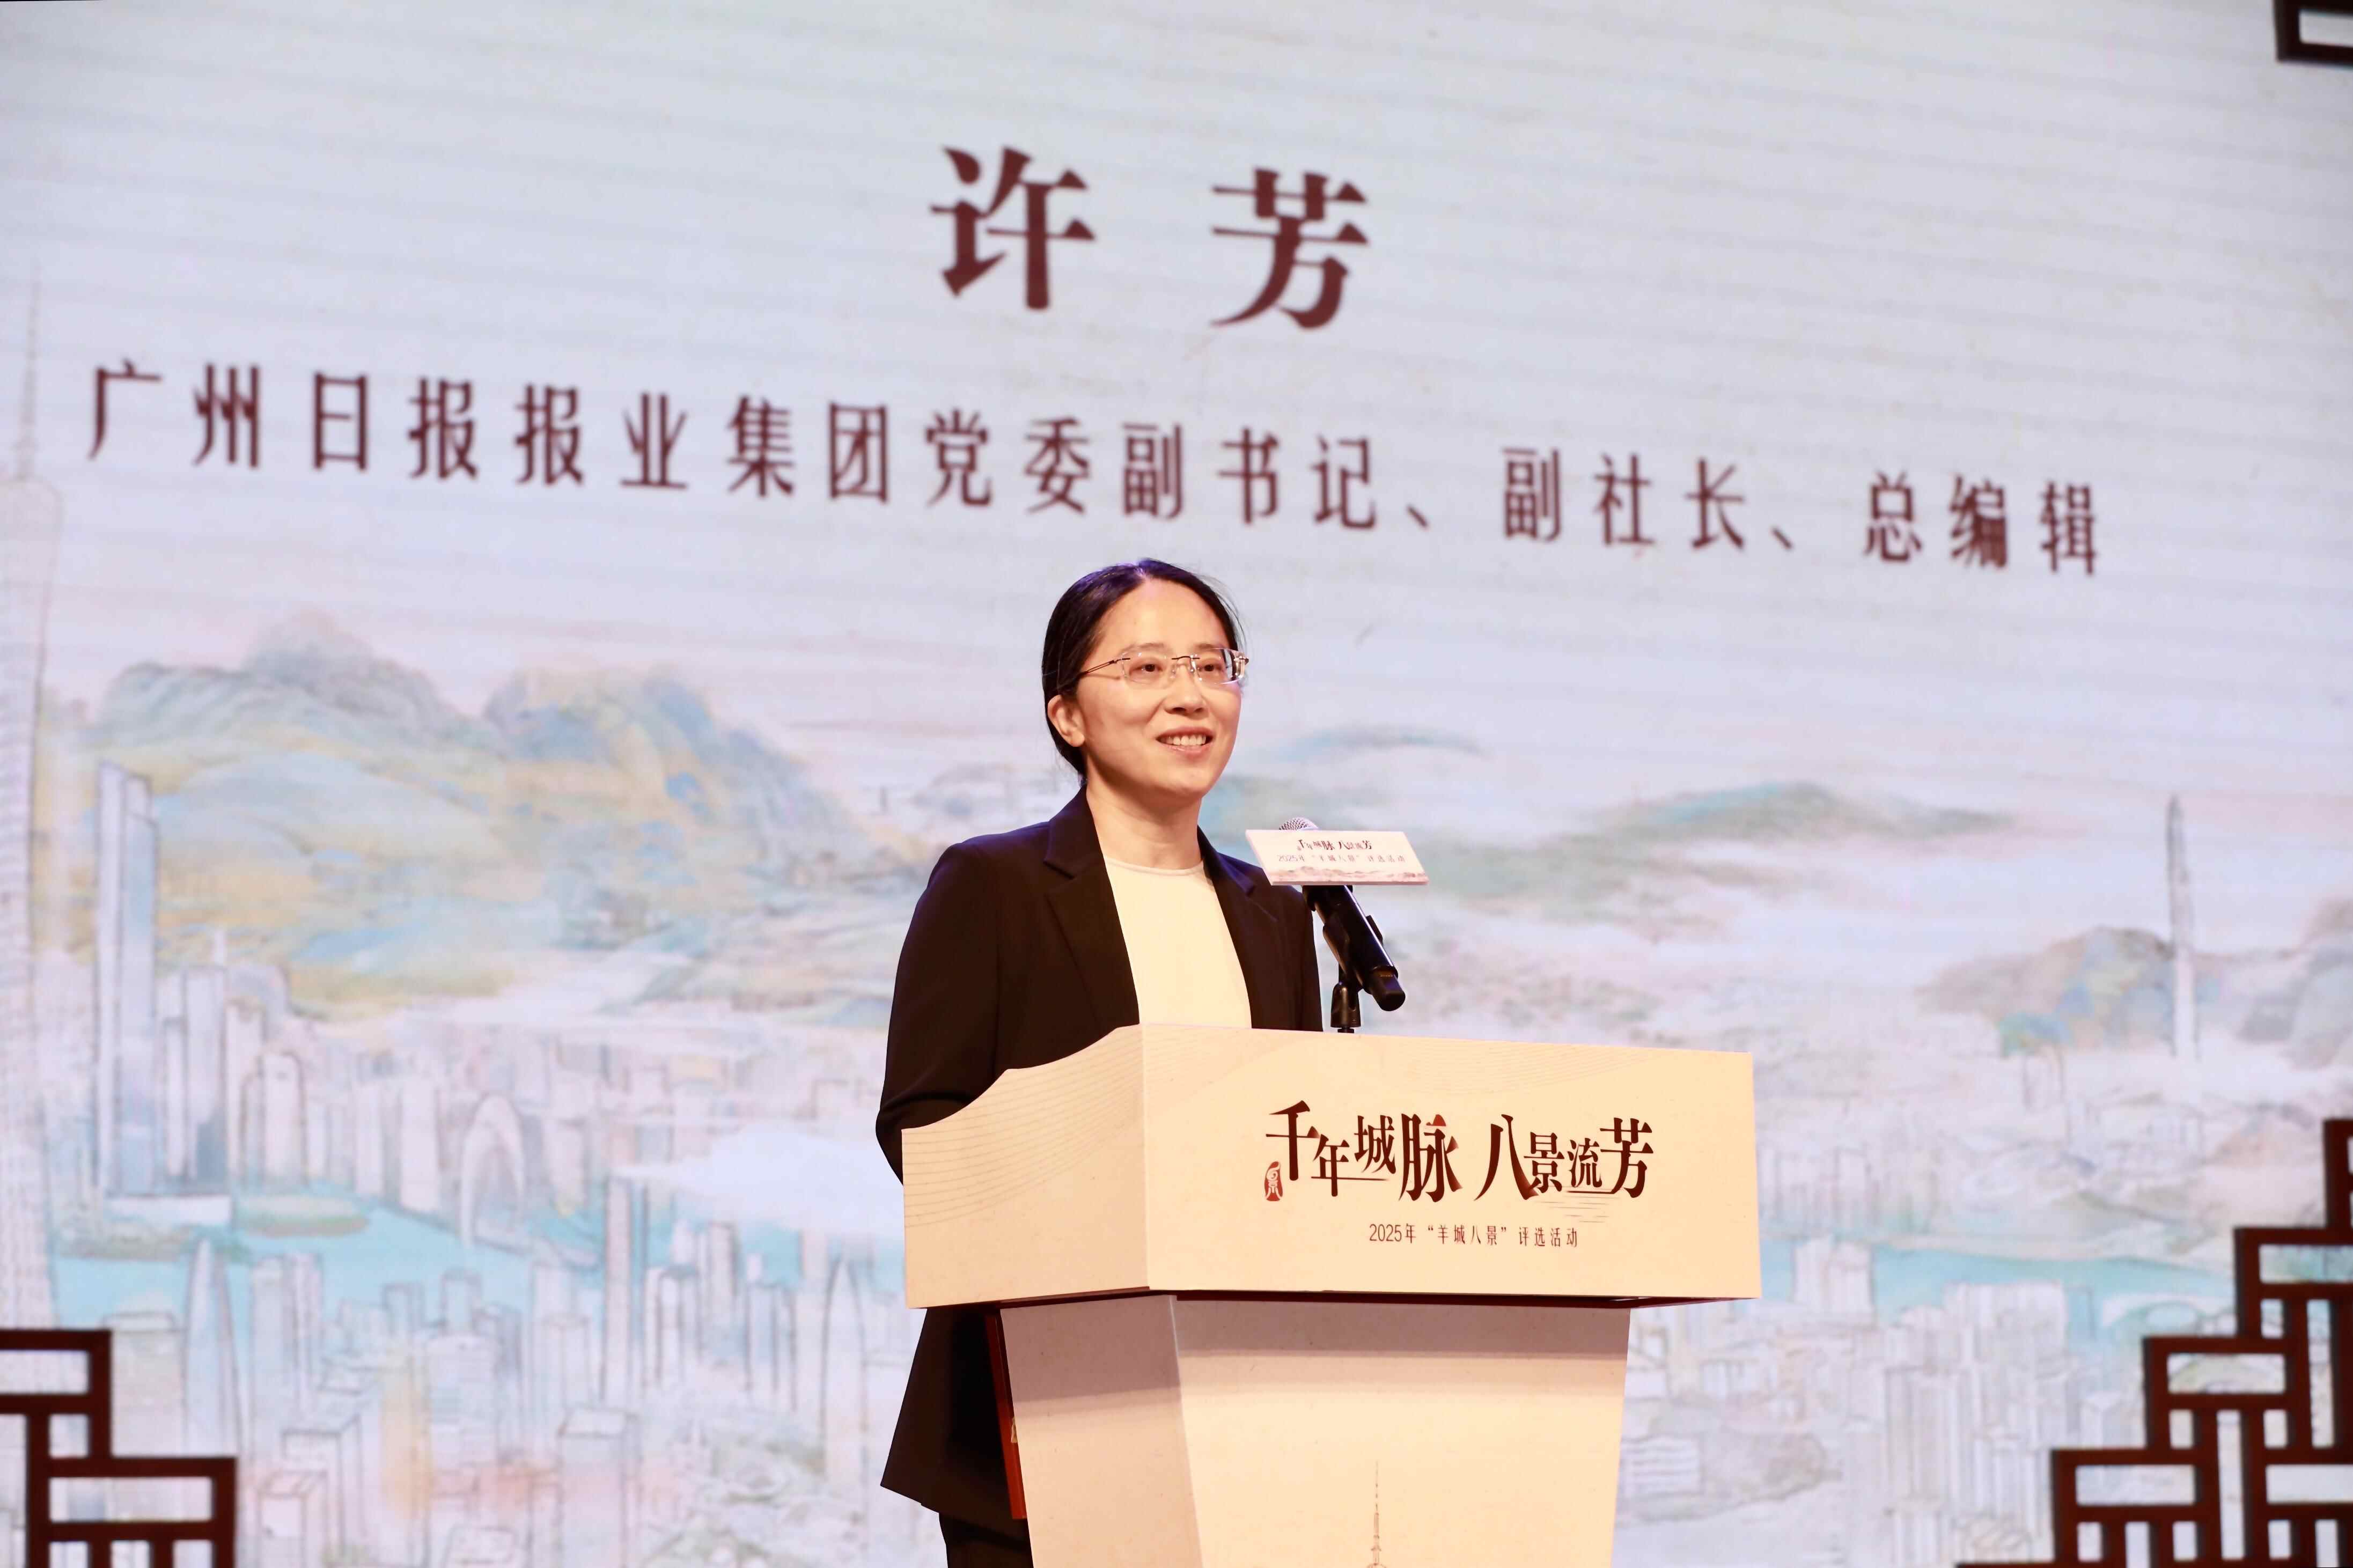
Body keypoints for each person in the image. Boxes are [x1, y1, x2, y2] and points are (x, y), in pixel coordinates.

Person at [873, 559, 1324, 1566]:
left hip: (1240, 1395)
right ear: (1068, 715)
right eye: (1147, 667)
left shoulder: (1275, 912)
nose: (1190, 696)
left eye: (1212, 665)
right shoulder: (994, 884)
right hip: (1040, 1394)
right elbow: (922, 1121)